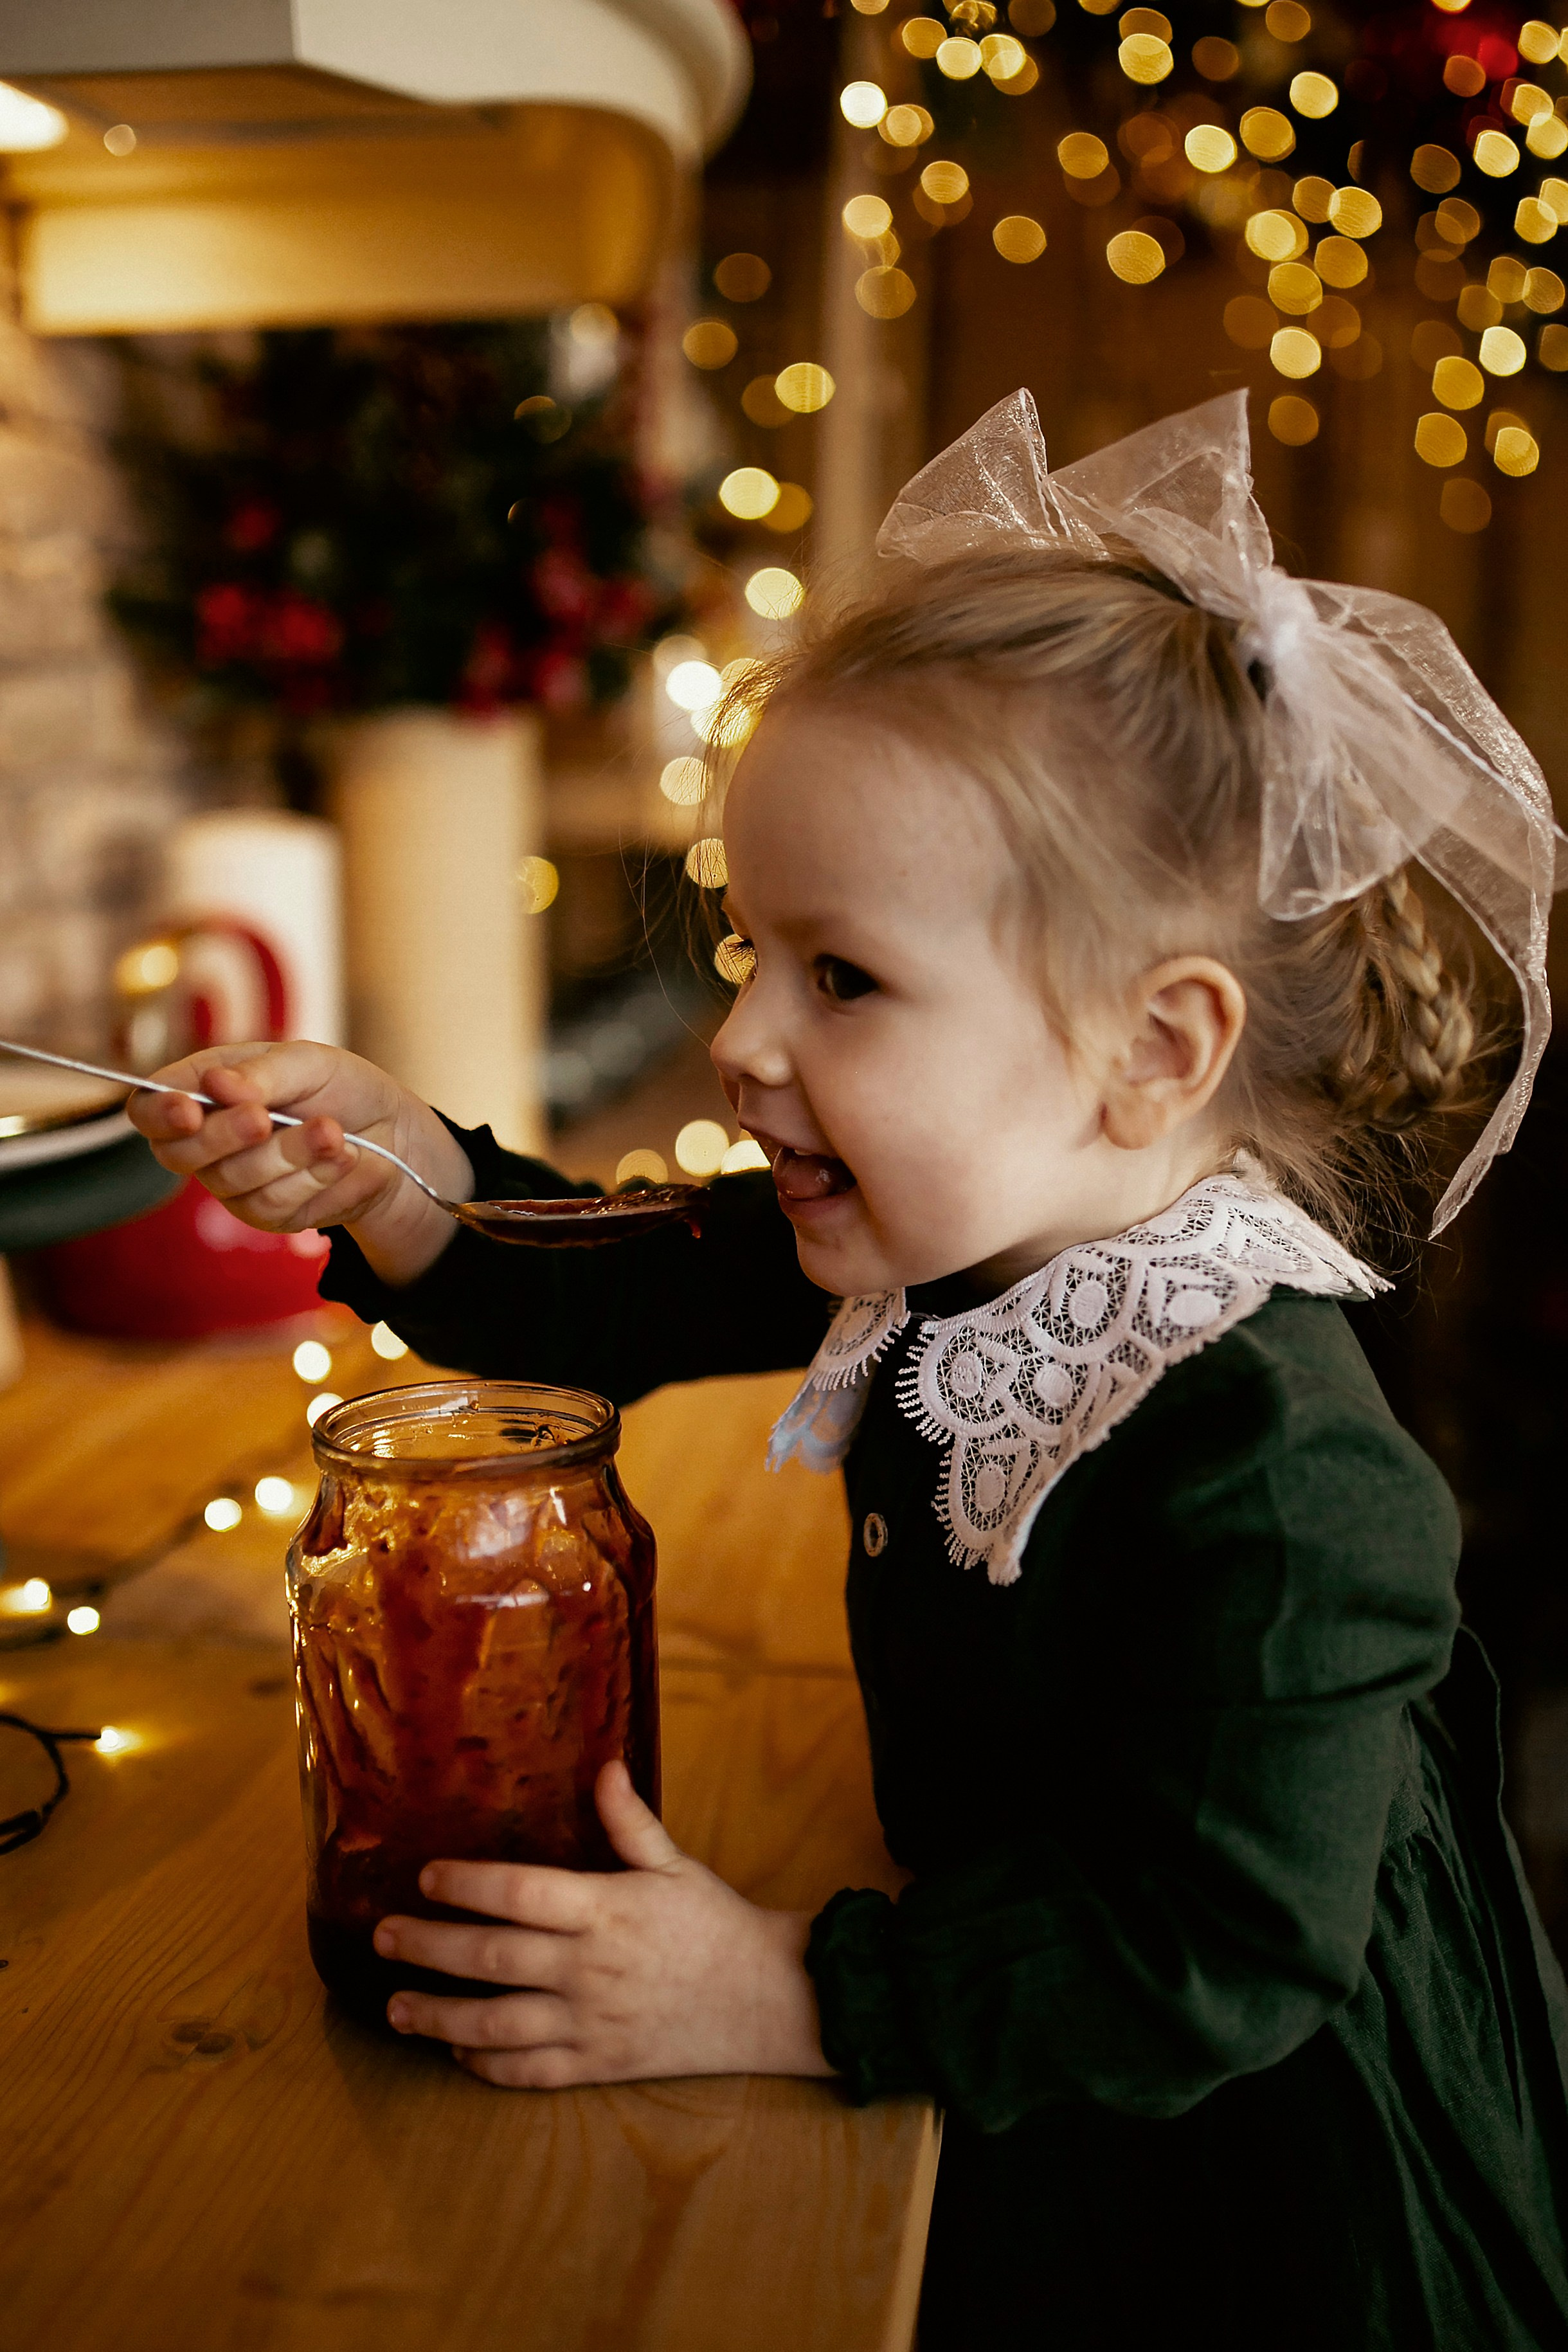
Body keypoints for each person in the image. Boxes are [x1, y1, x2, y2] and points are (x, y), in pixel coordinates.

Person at [130, 393, 1568, 2348]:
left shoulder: (1275, 1462)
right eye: (746, 950)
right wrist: (400, 1166)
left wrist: (782, 1992)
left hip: (1235, 2165)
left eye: (842, 976)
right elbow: (616, 1285)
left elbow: (1215, 1957)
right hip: (1004, 1990)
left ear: (1156, 1047)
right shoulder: (955, 1230)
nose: (741, 1039)